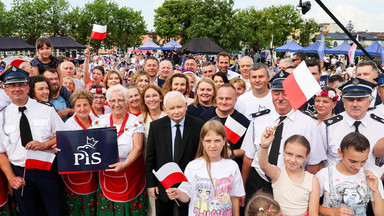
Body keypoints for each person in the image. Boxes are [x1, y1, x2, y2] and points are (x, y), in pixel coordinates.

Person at [241, 71, 326, 203]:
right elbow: (248, 157)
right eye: (276, 93)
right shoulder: (258, 120)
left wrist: (309, 193)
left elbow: (313, 164)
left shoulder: (308, 123)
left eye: (285, 93)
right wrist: (242, 189)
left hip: (293, 183)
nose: (280, 98)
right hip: (259, 182)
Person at [0, 66, 66, 215]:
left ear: (28, 87)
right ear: (5, 90)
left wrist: (45, 144)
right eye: (12, 85)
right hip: (20, 172)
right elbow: (1, 152)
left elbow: (64, 136)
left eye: (21, 84)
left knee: (55, 211)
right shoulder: (1, 117)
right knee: (28, 212)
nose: (17, 89)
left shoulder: (46, 109)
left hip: (47, 169)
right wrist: (11, 178)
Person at [166, 120, 245, 216]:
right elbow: (187, 196)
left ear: (224, 141)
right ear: (202, 142)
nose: (212, 145)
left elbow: (234, 197)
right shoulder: (193, 166)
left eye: (217, 140)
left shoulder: (232, 166)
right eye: (208, 141)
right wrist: (179, 194)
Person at [146, 91, 204, 216]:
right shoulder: (156, 127)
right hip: (164, 184)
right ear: (165, 109)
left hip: (189, 184)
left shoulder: (198, 125)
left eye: (179, 107)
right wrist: (151, 184)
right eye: (172, 108)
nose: (176, 111)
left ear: (186, 106)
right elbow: (150, 157)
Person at [92, 84, 147, 215]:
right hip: (107, 175)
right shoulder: (100, 122)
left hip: (130, 172)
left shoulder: (135, 122)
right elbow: (87, 143)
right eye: (112, 100)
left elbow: (138, 148)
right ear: (108, 103)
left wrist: (125, 164)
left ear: (127, 102)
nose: (116, 104)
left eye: (120, 100)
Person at [320, 77, 384, 173]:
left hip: (372, 183)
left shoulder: (380, 125)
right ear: (343, 102)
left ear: (369, 102)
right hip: (337, 184)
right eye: (350, 100)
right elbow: (318, 161)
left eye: (360, 100)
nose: (355, 104)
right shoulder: (328, 127)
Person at [316, 132, 384, 216]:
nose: (358, 167)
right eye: (353, 161)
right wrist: (332, 212)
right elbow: (310, 206)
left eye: (363, 161)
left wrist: (375, 190)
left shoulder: (372, 177)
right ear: (340, 153)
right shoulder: (323, 175)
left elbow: (380, 214)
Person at [258, 128, 320, 216]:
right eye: (289, 154)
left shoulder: (313, 180)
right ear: (283, 151)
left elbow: (313, 213)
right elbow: (263, 165)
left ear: (306, 156)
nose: (293, 160)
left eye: (299, 156)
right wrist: (264, 146)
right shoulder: (278, 173)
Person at [62, 89, 97, 216]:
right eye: (78, 105)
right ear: (74, 107)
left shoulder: (98, 121)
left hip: (94, 172)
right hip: (76, 173)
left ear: (90, 105)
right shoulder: (68, 126)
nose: (82, 108)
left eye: (85, 105)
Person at [199, 84, 249, 170]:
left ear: (235, 100)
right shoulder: (203, 117)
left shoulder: (244, 122)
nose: (224, 102)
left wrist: (231, 153)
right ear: (216, 98)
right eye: (221, 98)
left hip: (232, 170)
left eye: (228, 99)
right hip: (206, 168)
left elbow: (248, 150)